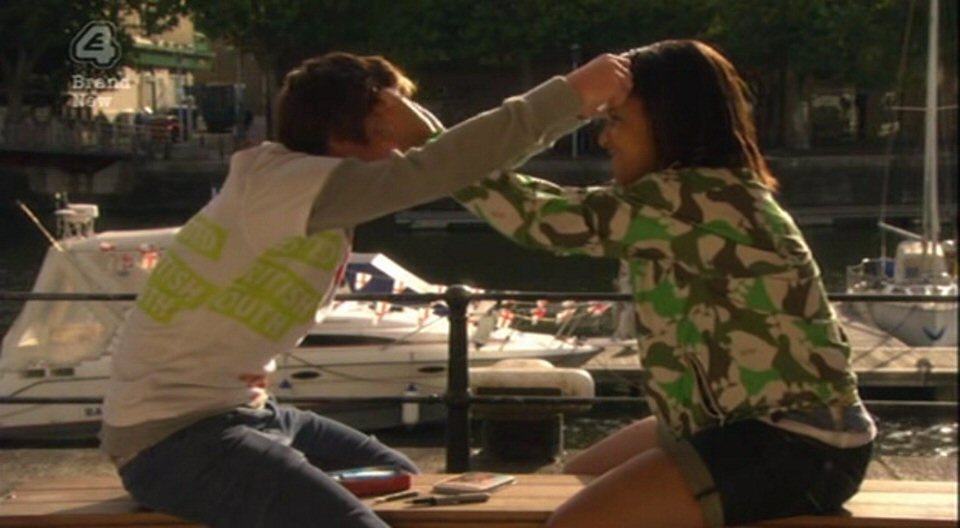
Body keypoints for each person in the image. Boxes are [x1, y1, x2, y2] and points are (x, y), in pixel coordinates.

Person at [99, 52, 632, 528]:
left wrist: (426, 129)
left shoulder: (300, 185)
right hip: (172, 441)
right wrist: (573, 94)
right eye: (388, 123)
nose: (400, 144)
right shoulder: (287, 186)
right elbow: (446, 163)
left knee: (396, 477)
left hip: (246, 414)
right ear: (344, 130)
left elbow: (455, 161)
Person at [452, 40, 875, 527]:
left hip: (799, 442)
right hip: (733, 425)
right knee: (576, 477)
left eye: (616, 120)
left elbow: (538, 219)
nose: (604, 139)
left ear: (671, 122)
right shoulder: (697, 194)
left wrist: (433, 151)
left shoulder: (696, 198)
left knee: (576, 524)